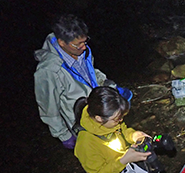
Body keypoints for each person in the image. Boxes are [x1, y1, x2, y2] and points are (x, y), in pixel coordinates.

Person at [34, 14, 132, 149]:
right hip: (82, 122)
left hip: (100, 111)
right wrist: (64, 135)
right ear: (62, 43)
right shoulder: (48, 71)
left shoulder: (82, 52)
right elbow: (48, 108)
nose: (84, 47)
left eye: (85, 41)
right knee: (101, 158)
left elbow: (90, 73)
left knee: (119, 144)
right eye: (78, 44)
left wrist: (110, 86)